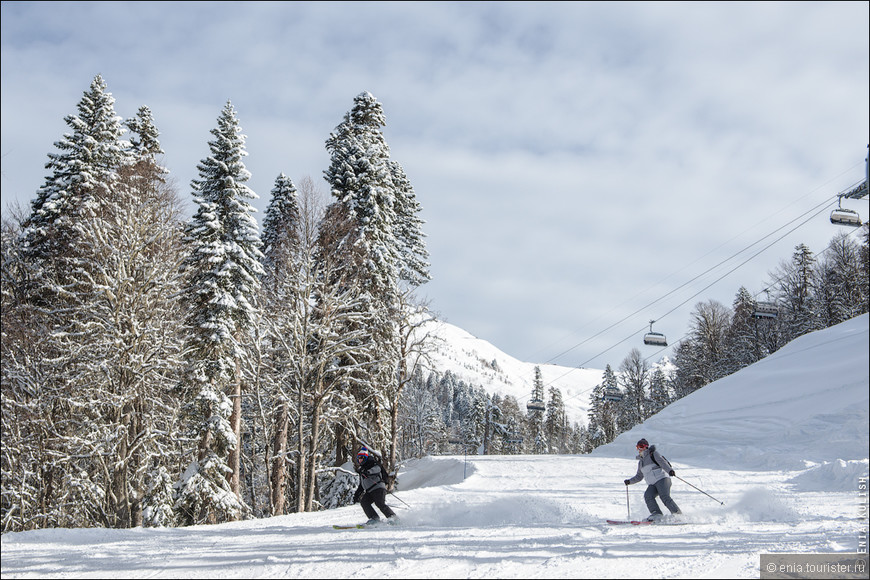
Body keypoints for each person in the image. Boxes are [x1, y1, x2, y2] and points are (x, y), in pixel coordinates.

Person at [624, 438, 682, 521]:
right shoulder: (641, 462)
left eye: (641, 446)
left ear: (646, 447)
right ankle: (656, 514)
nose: (639, 449)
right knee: (648, 495)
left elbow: (663, 463)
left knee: (664, 496)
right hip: (652, 484)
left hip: (662, 479)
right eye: (637, 447)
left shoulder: (653, 454)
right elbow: (639, 476)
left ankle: (678, 515)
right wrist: (629, 481)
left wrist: (670, 471)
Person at [353, 447, 396, 525]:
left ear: (365, 457)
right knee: (364, 502)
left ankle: (393, 518)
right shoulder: (362, 469)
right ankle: (374, 518)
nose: (360, 460)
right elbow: (362, 484)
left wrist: (368, 472)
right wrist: (357, 494)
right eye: (359, 458)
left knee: (380, 503)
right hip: (370, 490)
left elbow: (377, 469)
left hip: (378, 488)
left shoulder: (372, 463)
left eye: (362, 458)